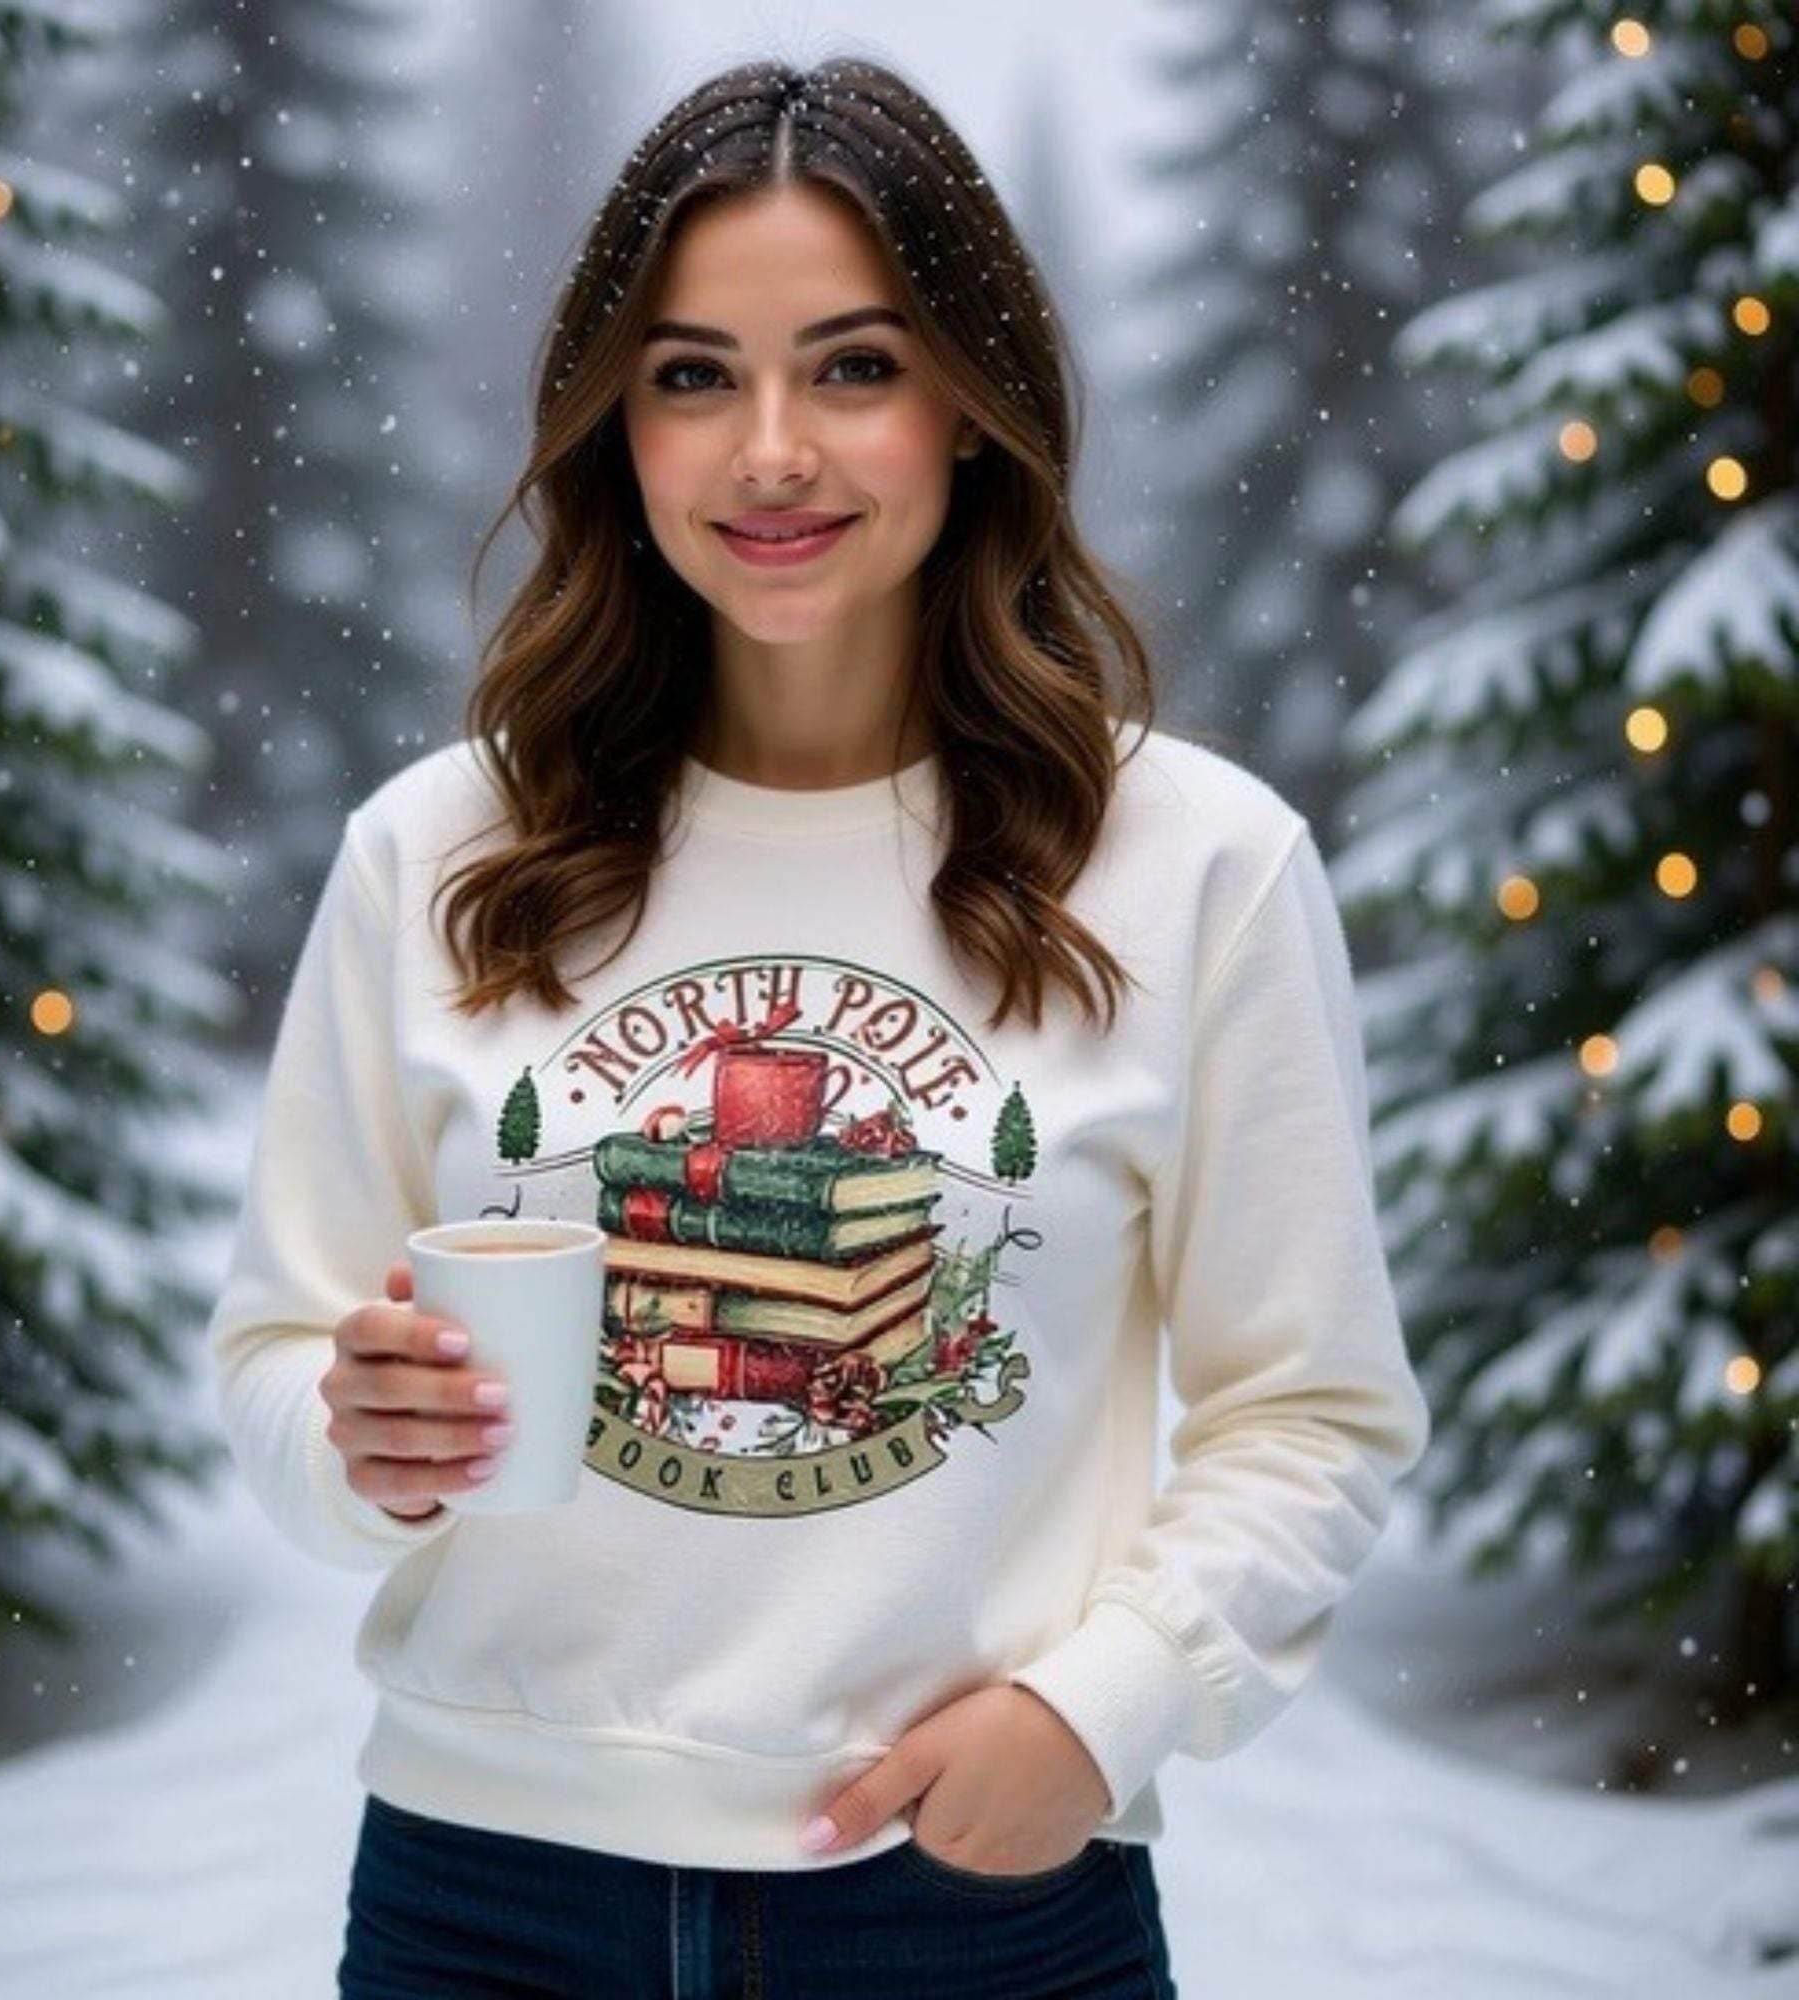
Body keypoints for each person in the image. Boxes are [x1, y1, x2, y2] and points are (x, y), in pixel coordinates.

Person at [205, 53, 1432, 2000]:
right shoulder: (439, 851)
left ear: (972, 404)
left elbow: (1310, 1409)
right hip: (483, 1896)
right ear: (617, 424)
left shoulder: (1193, 865)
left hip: (970, 1901)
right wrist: (365, 1438)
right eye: (693, 374)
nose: (769, 449)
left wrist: (1100, 1709)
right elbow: (283, 1359)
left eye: (851, 365)